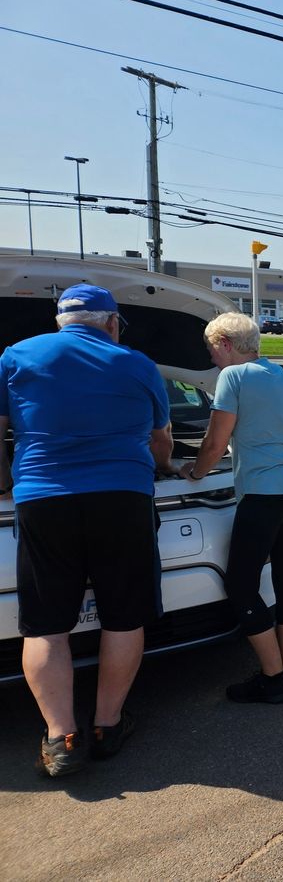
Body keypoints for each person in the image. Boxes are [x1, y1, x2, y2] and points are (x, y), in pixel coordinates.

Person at [0, 284, 172, 776]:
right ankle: (107, 725)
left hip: (42, 498)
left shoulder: (16, 356)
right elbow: (161, 439)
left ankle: (61, 739)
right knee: (123, 615)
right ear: (112, 323)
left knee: (46, 623)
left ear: (60, 322)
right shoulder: (137, 364)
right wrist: (166, 466)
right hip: (122, 497)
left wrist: (3, 483)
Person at [180, 313, 283, 705]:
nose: (211, 358)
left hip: (264, 492)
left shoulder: (232, 377)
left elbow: (215, 443)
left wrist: (192, 472)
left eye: (212, 349)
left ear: (226, 343)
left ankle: (273, 677)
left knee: (240, 585)